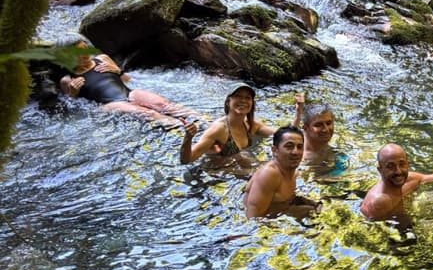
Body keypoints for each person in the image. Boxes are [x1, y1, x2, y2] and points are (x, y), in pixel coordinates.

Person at [55, 39, 195, 127]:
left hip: (128, 93)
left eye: (85, 49)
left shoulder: (102, 59)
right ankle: (185, 129)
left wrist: (118, 71)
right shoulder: (67, 79)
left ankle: (202, 120)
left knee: (163, 104)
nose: (85, 55)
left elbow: (128, 80)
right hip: (108, 104)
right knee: (148, 114)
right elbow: (73, 105)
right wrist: (73, 92)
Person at [360, 131, 433, 223]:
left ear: (408, 164)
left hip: (407, 212)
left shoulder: (410, 179)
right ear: (380, 170)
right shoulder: (380, 201)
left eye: (401, 164)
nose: (398, 171)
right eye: (390, 166)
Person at [180, 84, 273, 169]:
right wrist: (188, 137)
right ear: (228, 102)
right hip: (213, 172)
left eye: (247, 97)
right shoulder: (218, 129)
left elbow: (279, 135)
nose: (243, 100)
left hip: (238, 168)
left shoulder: (252, 125)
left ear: (252, 104)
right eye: (238, 96)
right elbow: (186, 160)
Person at [244, 126, 319, 219]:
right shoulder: (269, 174)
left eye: (299, 147)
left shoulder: (294, 173)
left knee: (320, 207)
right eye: (289, 146)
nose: (295, 152)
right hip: (257, 221)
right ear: (275, 150)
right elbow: (252, 218)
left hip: (281, 209)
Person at [293, 96, 344, 174]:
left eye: (328, 123)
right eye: (318, 125)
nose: (326, 129)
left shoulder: (338, 153)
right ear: (305, 128)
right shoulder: (298, 156)